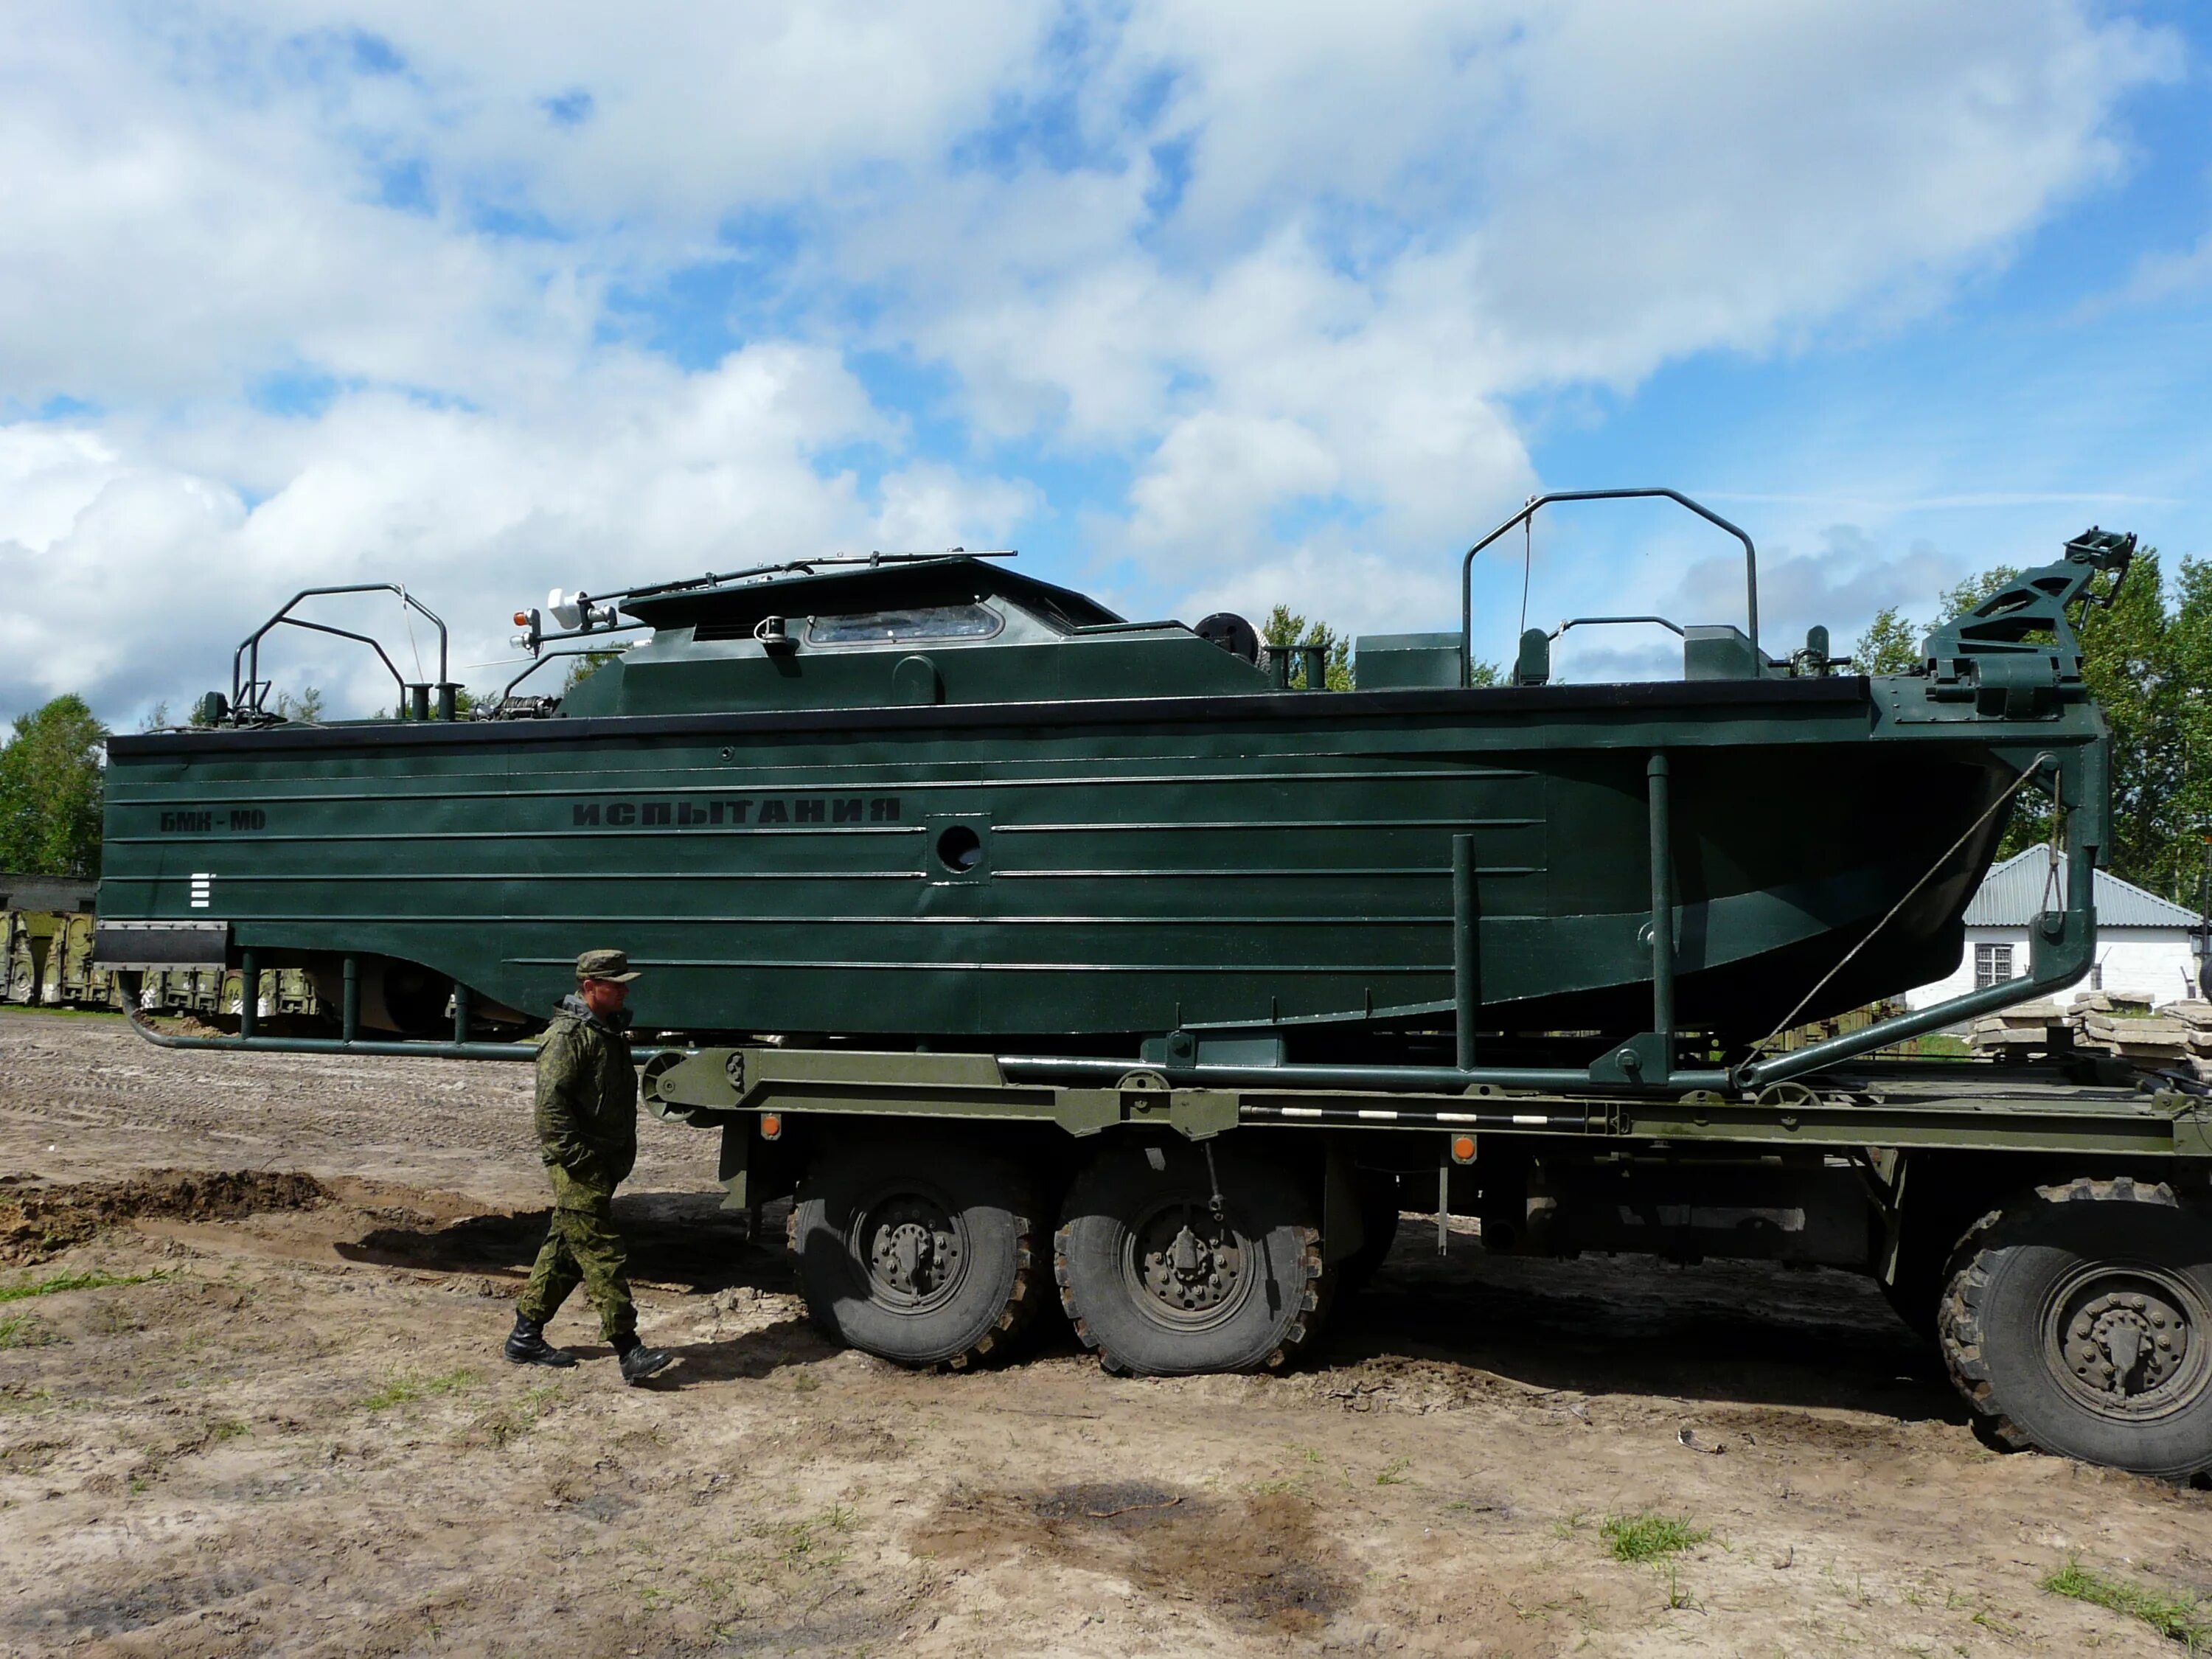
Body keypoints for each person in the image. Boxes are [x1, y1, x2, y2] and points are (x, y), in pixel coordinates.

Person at [503, 948, 674, 1384]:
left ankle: (525, 1335)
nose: (624, 990)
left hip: (601, 1163)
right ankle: (628, 1349)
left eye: (624, 982)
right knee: (601, 1252)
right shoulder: (568, 1038)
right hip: (579, 1165)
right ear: (589, 987)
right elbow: (549, 1110)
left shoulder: (607, 1032)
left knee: (565, 1248)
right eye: (615, 983)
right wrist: (578, 1160)